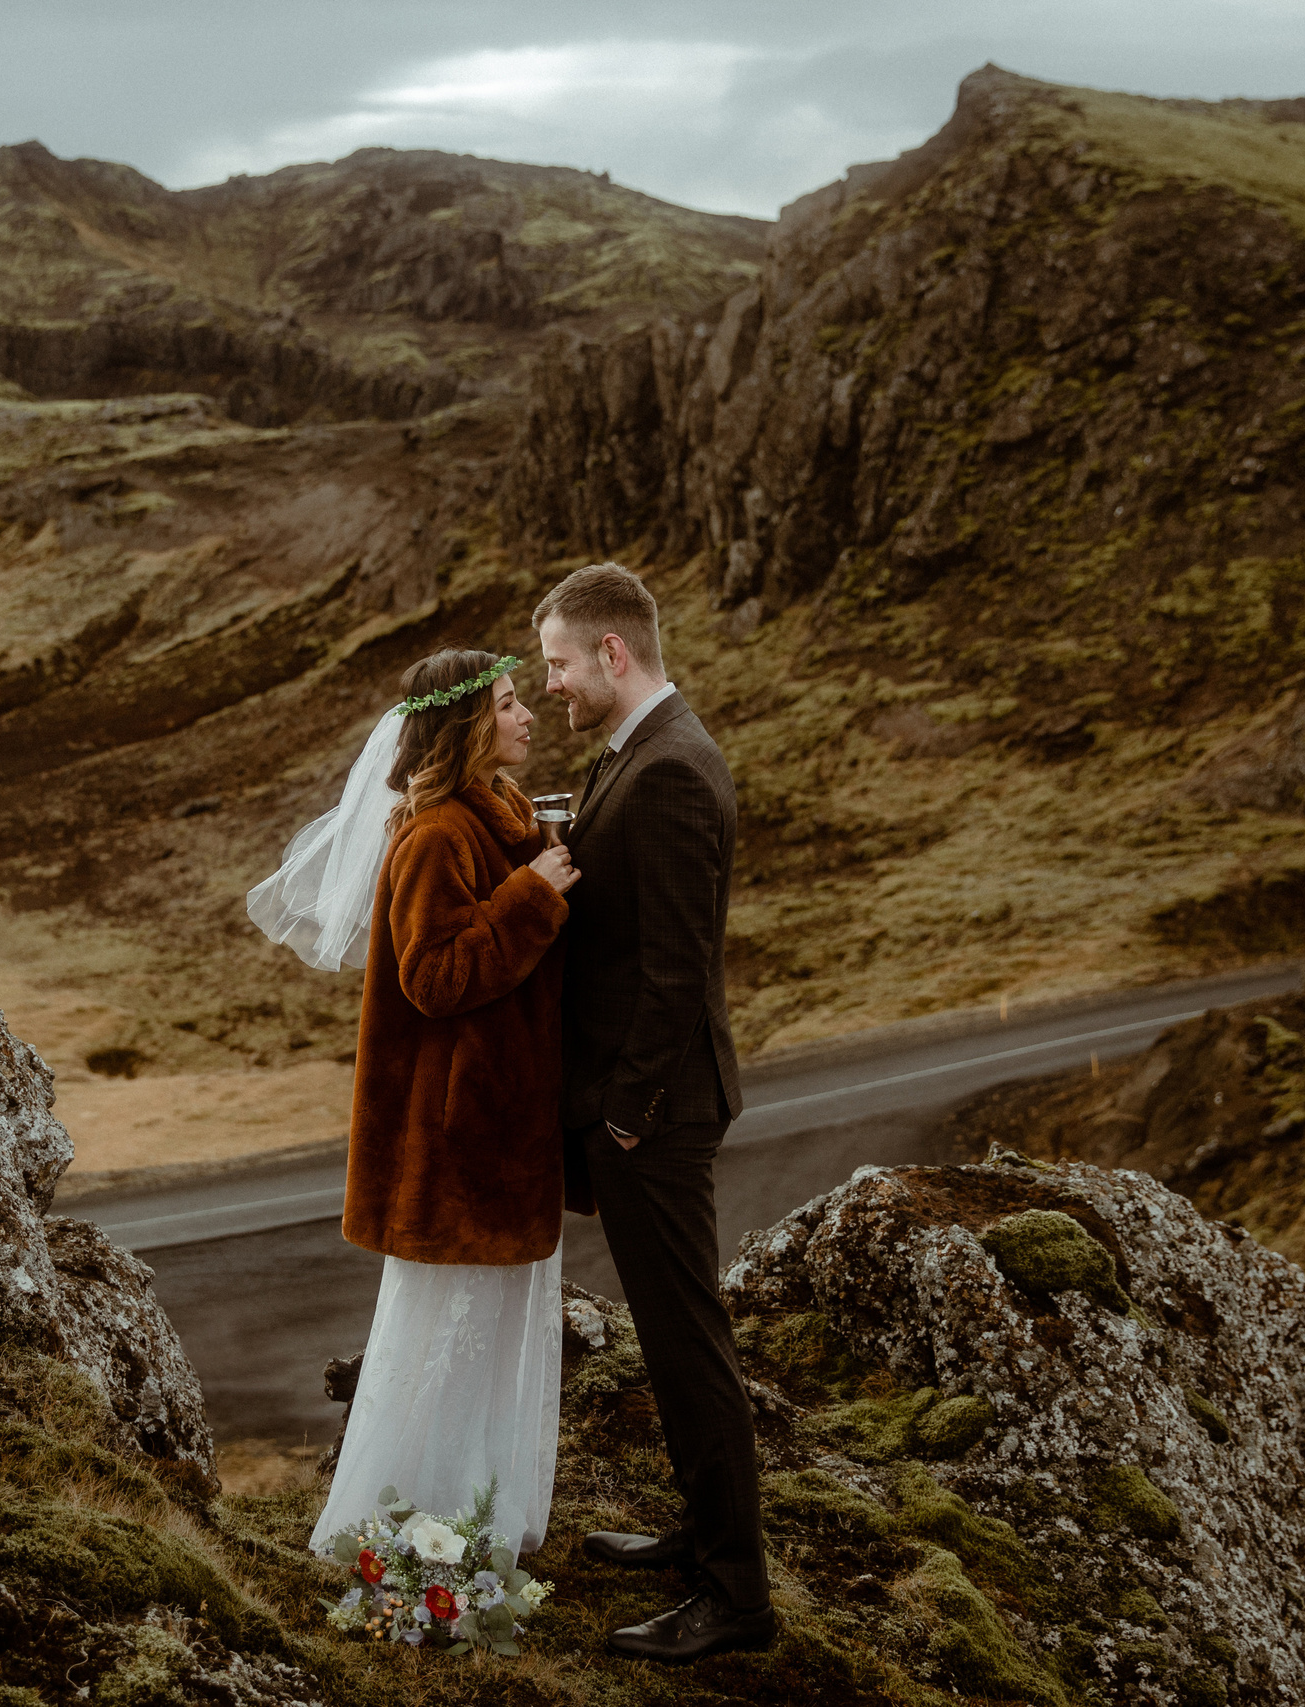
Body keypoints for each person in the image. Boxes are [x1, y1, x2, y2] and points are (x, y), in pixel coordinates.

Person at [246, 646, 584, 1558]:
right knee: (446, 1336)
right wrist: (532, 895)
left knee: (492, 1332)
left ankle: (473, 1509)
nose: (527, 715)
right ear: (471, 724)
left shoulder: (499, 813)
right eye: (510, 704)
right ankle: (407, 1523)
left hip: (498, 1132)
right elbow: (432, 976)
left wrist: (539, 869)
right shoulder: (435, 832)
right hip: (457, 1141)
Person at [534, 562, 774, 1661]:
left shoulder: (674, 768)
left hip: (659, 1114)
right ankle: (698, 1536)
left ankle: (735, 1599)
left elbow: (679, 967)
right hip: (643, 1109)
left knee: (688, 1346)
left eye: (559, 666)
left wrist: (625, 1113)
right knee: (677, 1340)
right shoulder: (633, 753)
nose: (551, 688)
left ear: (611, 654)